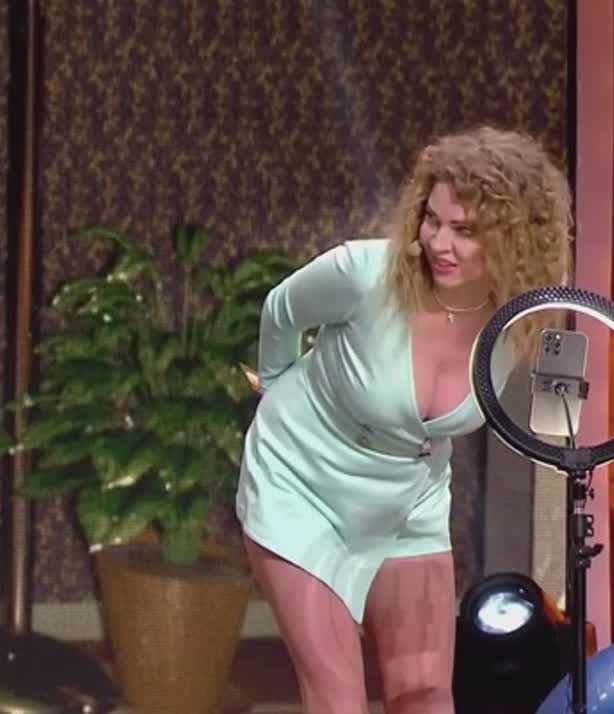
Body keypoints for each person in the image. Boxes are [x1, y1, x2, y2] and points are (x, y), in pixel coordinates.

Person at [235, 126, 574, 714]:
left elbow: (562, 402)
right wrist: (276, 383)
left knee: (424, 692)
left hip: (407, 498)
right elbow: (281, 310)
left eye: (464, 230)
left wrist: (572, 443)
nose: (439, 243)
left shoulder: (525, 314)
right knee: (338, 693)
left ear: (514, 238)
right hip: (303, 483)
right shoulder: (363, 272)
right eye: (432, 220)